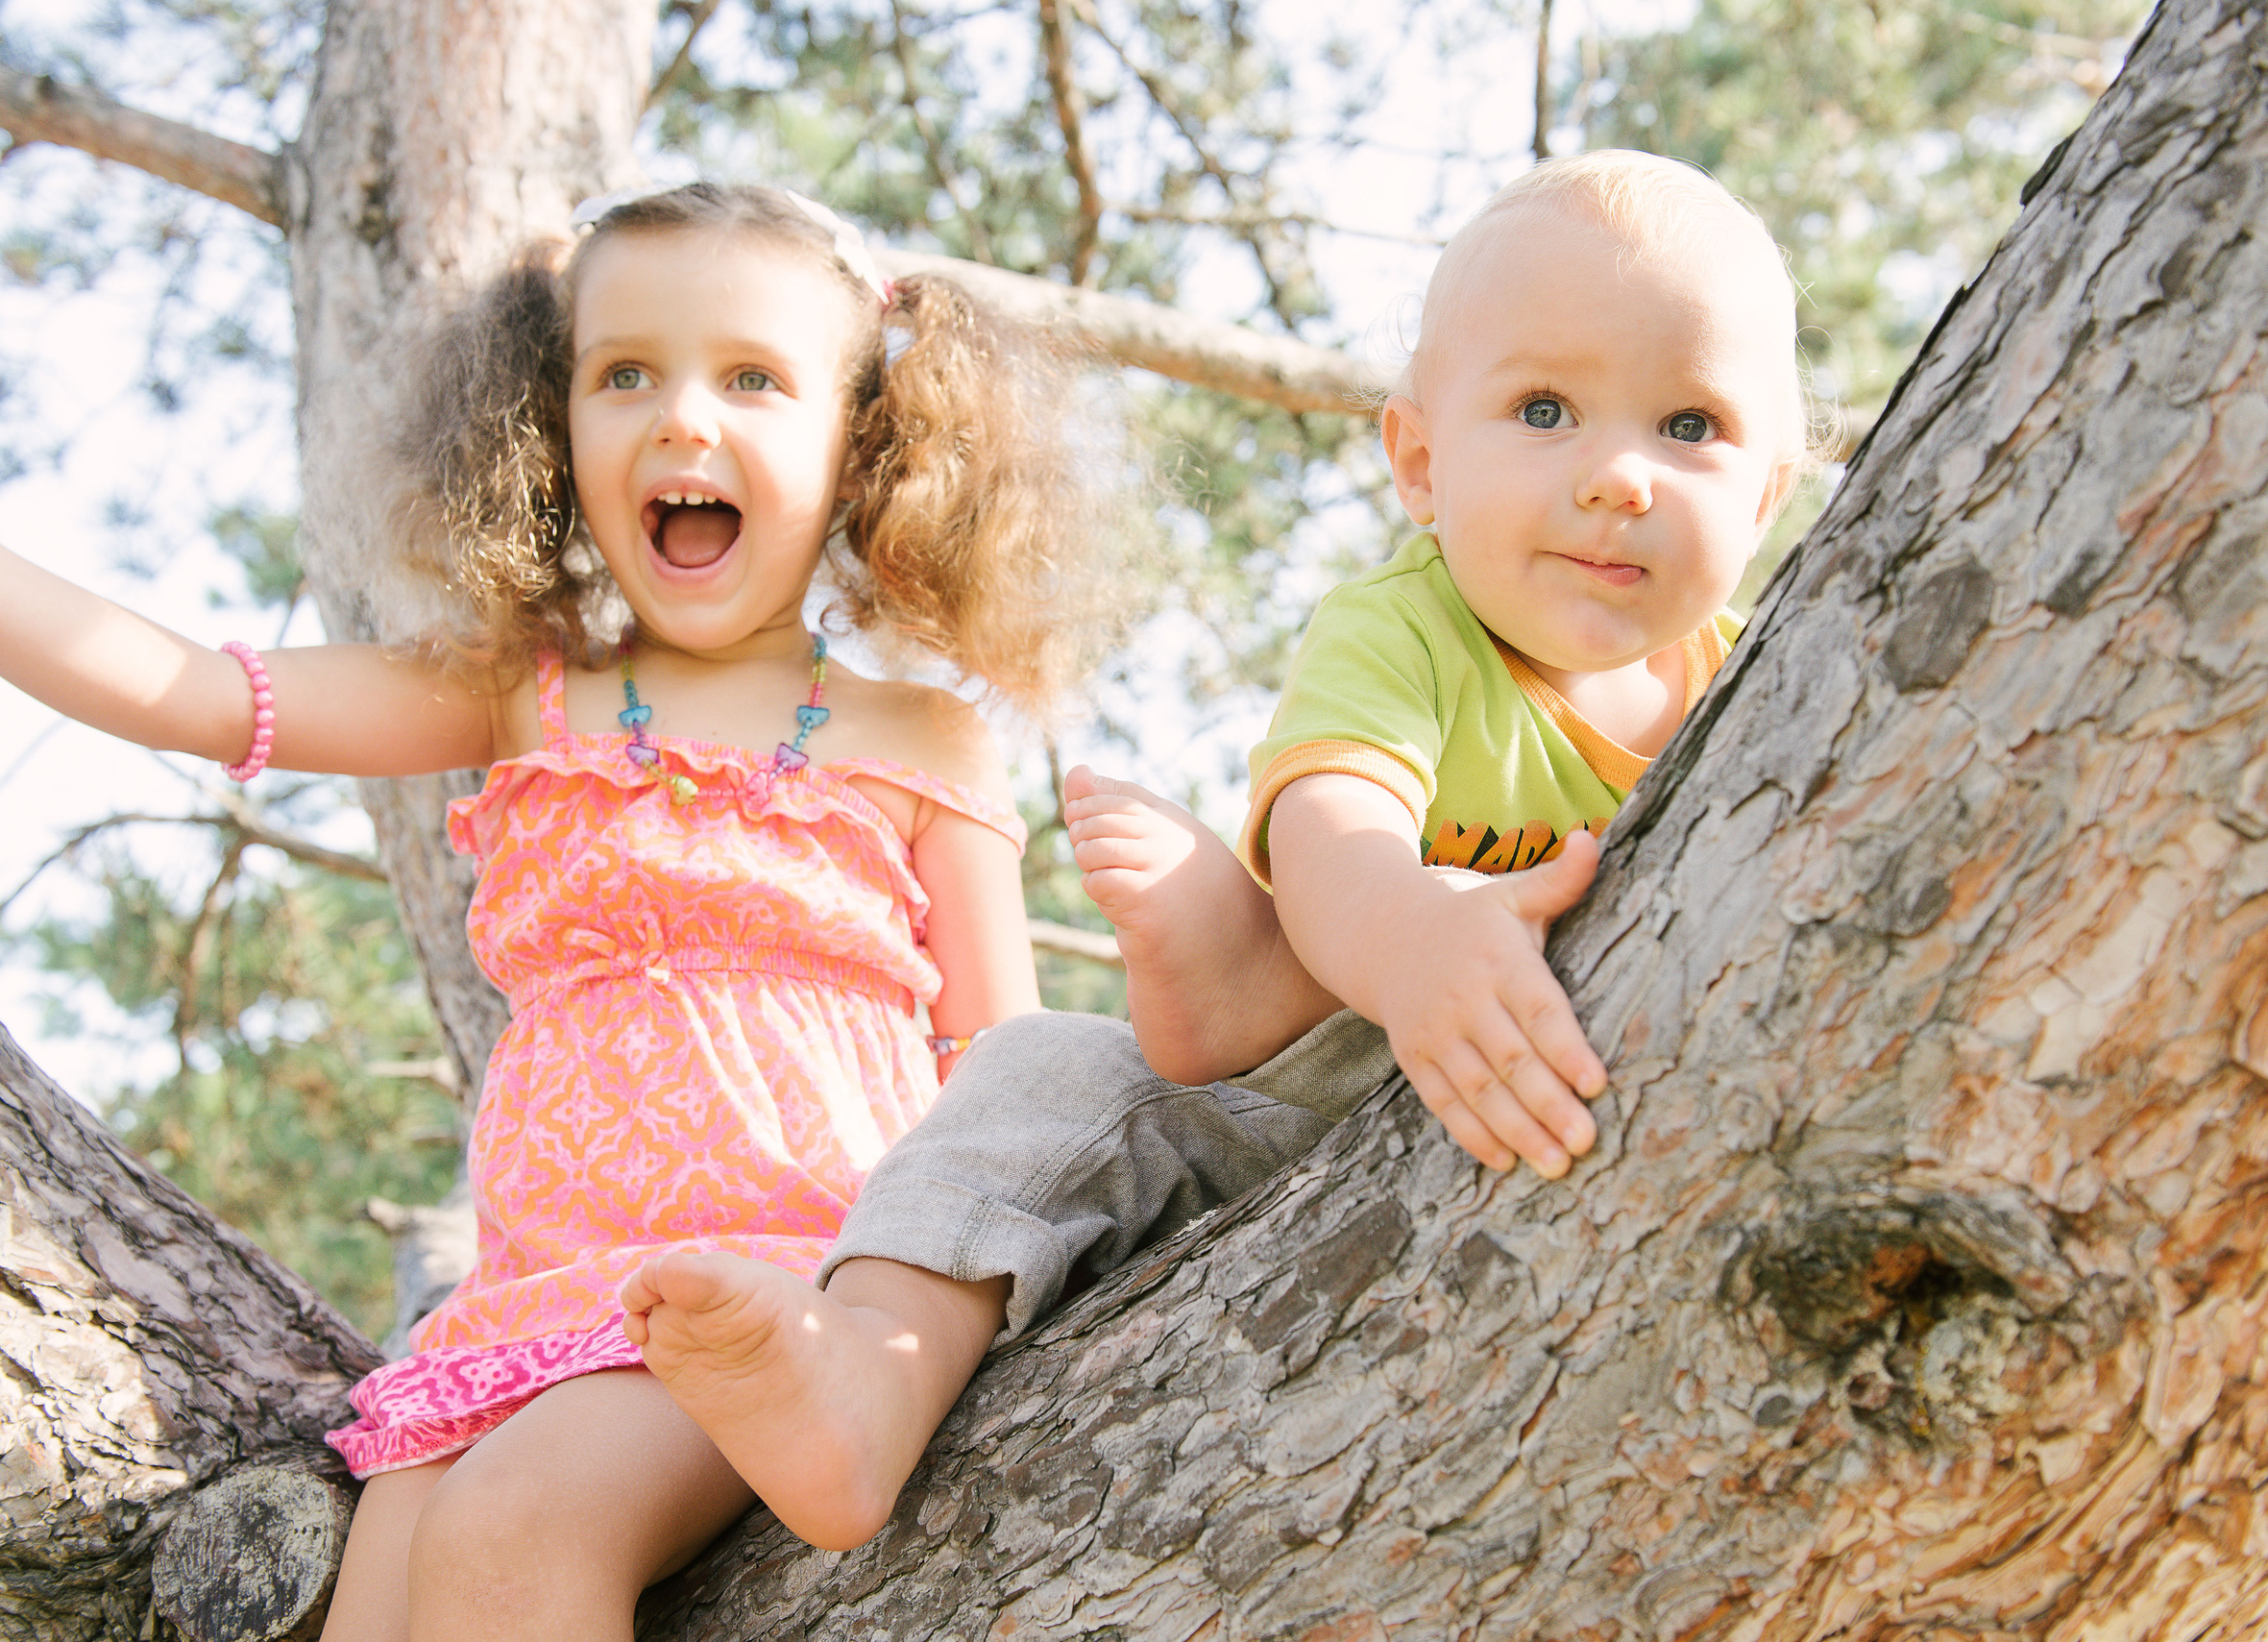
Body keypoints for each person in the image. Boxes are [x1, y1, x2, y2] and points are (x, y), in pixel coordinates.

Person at [0, 181, 1124, 1639]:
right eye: (624, 372)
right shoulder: (526, 690)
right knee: (387, 1593)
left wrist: (923, 1337)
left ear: (865, 436)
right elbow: (194, 688)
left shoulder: (921, 738)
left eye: (752, 375)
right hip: (523, 1307)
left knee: (513, 1533)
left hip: (776, 1293)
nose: (683, 416)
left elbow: (1001, 1089)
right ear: (552, 426)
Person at [618, 151, 1815, 1554]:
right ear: (1420, 462)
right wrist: (1419, 938)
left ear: (1772, 491)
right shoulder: (1411, 627)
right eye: (1544, 409)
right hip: (1324, 1077)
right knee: (1038, 1086)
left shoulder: (1757, 675)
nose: (1617, 476)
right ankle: (861, 1379)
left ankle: (1251, 971)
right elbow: (1335, 829)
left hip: (1565, 1078)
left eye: (1690, 424)